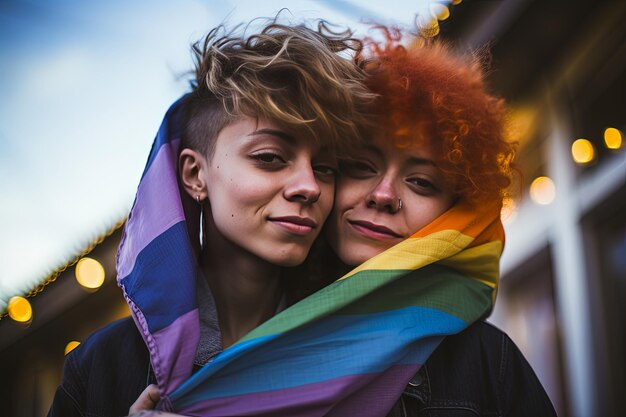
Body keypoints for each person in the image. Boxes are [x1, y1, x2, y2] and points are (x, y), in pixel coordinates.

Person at [47, 19, 373, 417]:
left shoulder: (373, 343)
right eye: (269, 158)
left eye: (326, 168)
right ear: (194, 175)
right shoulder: (100, 367)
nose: (310, 186)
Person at [324, 30, 557, 416]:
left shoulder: (488, 363)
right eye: (361, 166)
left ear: (454, 212)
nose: (383, 194)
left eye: (421, 182)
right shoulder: (241, 331)